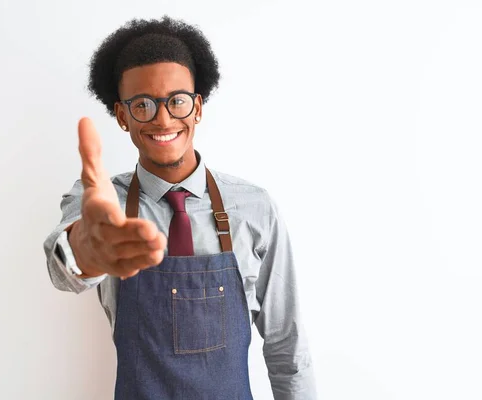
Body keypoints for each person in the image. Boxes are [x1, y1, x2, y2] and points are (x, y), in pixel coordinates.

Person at [43, 16, 316, 399]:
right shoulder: (100, 202)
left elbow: (288, 346)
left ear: (198, 106)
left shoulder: (254, 207)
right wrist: (89, 251)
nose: (163, 118)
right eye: (142, 104)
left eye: (177, 100)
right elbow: (64, 268)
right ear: (122, 116)